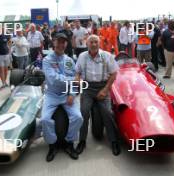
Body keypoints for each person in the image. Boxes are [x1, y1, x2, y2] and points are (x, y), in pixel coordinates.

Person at [75, 35, 121, 156]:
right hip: (87, 88)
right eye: (91, 42)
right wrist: (78, 81)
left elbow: (114, 74)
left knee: (107, 112)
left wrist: (106, 90)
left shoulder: (107, 56)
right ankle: (82, 141)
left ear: (99, 43)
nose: (94, 44)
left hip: (103, 87)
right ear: (87, 43)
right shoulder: (82, 56)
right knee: (83, 112)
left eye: (96, 42)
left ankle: (114, 141)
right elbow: (77, 72)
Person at [41, 33, 83, 162]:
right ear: (54, 42)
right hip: (52, 95)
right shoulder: (47, 60)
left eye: (63, 42)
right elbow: (54, 80)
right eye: (58, 41)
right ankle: (52, 145)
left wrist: (72, 93)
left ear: (66, 44)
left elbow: (75, 83)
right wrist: (73, 80)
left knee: (78, 117)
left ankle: (68, 143)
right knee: (44, 119)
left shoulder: (69, 61)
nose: (61, 44)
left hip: (66, 94)